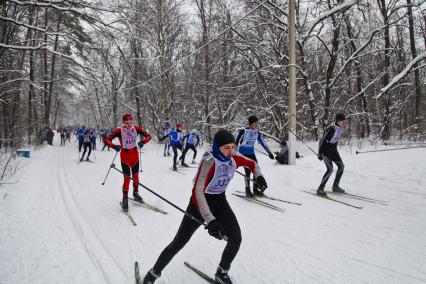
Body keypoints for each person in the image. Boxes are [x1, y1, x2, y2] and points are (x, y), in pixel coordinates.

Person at [142, 129, 268, 284]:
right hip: (199, 204)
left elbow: (253, 164)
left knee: (236, 238)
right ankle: (152, 275)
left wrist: (259, 176)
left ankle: (222, 273)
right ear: (217, 147)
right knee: (179, 242)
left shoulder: (234, 157)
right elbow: (198, 191)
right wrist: (210, 220)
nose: (230, 151)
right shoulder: (209, 161)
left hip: (220, 202)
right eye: (226, 148)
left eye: (232, 147)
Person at [104, 114, 152, 210]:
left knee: (136, 177)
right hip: (125, 157)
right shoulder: (119, 131)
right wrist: (114, 146)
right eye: (127, 123)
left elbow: (149, 136)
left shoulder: (136, 128)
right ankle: (125, 199)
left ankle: (135, 193)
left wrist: (143, 142)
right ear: (123, 123)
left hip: (135, 156)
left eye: (131, 122)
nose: (129, 124)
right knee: (127, 179)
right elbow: (106, 139)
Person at [235, 115, 274, 197]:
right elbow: (236, 143)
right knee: (247, 171)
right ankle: (247, 189)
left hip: (252, 154)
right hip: (243, 154)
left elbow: (263, 143)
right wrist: (234, 154)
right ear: (250, 123)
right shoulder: (244, 131)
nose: (257, 124)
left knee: (256, 171)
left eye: (257, 122)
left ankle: (255, 189)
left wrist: (269, 153)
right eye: (255, 123)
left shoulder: (257, 132)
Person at [317, 112, 347, 196]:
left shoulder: (340, 128)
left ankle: (335, 186)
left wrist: (335, 151)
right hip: (325, 151)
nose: (343, 122)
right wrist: (320, 153)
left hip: (333, 150)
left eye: (343, 121)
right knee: (330, 169)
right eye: (341, 121)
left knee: (341, 166)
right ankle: (320, 189)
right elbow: (322, 140)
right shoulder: (331, 128)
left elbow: (335, 141)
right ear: (337, 120)